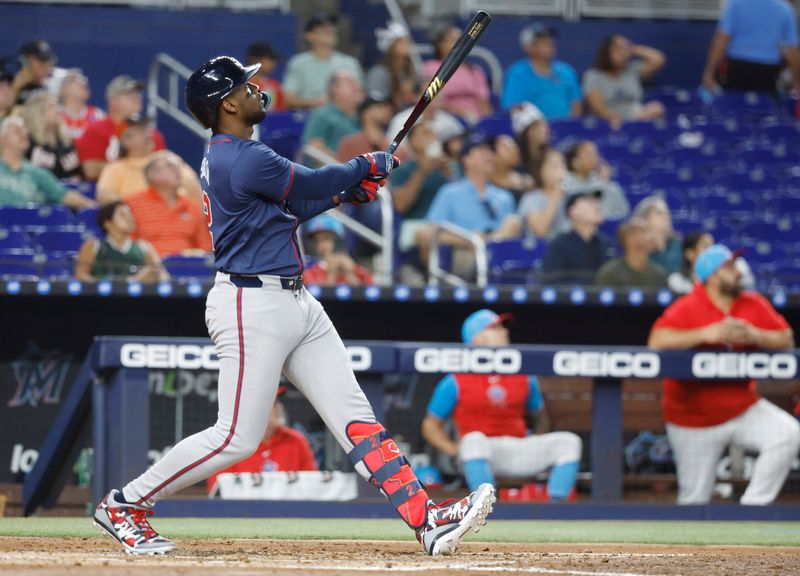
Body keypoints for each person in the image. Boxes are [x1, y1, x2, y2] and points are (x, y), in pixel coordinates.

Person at [92, 55, 494, 556]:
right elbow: (310, 183)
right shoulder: (239, 156)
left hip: (295, 300)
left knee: (355, 415)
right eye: (246, 85)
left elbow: (297, 204)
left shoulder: (242, 156)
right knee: (236, 437)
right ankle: (125, 504)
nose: (258, 89)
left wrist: (347, 194)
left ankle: (425, 519)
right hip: (250, 304)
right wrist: (363, 168)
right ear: (227, 104)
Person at [648, 244, 800, 505]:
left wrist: (755, 335)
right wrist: (705, 333)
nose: (738, 272)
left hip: (741, 407)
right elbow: (657, 340)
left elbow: (785, 338)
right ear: (713, 276)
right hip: (692, 417)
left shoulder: (752, 303)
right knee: (694, 500)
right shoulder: (689, 305)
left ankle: (753, 508)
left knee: (787, 434)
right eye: (729, 267)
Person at [422, 309, 582, 501]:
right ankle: (486, 508)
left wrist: (534, 439)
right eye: (495, 328)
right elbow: (430, 425)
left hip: (518, 447)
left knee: (569, 442)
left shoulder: (522, 374)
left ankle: (557, 510)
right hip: (480, 453)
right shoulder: (455, 379)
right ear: (477, 338)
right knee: (473, 441)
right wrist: (455, 450)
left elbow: (541, 417)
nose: (504, 332)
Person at [416, 132, 521, 268]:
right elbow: (431, 232)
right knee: (424, 233)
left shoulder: (504, 196)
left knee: (514, 222)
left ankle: (488, 248)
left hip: (500, 256)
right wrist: (471, 239)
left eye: (491, 151)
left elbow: (512, 234)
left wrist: (488, 241)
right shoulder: (450, 192)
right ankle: (484, 248)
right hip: (465, 252)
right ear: (467, 159)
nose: (489, 156)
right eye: (482, 151)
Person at [207, 386, 318, 495]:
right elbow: (219, 492)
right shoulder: (232, 443)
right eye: (269, 404)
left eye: (276, 403)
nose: (278, 408)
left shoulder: (296, 440)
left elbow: (312, 486)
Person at [75, 75, 166, 180]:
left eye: (138, 93)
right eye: (129, 93)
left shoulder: (152, 133)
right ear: (113, 100)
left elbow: (162, 167)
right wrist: (135, 169)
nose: (137, 97)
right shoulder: (95, 130)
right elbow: (90, 170)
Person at [702, 0, 800, 95]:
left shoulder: (736, 4)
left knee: (735, 108)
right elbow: (793, 50)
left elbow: (721, 40)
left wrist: (709, 72)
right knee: (764, 109)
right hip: (767, 72)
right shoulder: (784, 9)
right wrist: (797, 81)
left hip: (737, 68)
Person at [124, 152, 211, 258]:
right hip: (150, 268)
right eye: (171, 166)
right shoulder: (132, 204)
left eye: (179, 166)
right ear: (152, 175)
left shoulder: (193, 207)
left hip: (187, 270)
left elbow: (206, 248)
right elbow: (126, 245)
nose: (178, 170)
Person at [96, 118, 201, 205]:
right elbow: (104, 196)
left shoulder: (167, 158)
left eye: (147, 130)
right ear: (125, 141)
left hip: (176, 218)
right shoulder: (115, 168)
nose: (148, 134)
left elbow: (193, 188)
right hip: (136, 224)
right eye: (141, 131)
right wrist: (141, 209)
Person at [0, 116, 94, 208]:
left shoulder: (37, 173)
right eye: (17, 131)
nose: (24, 134)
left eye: (24, 130)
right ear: (2, 140)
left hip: (27, 221)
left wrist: (95, 208)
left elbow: (63, 195)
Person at [389, 120, 452, 252]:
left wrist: (449, 173)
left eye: (434, 134)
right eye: (426, 133)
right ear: (413, 142)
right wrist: (422, 171)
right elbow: (400, 205)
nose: (433, 137)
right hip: (415, 225)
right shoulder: (404, 169)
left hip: (445, 226)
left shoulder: (447, 168)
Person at [282, 14, 364, 110]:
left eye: (332, 27)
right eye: (323, 28)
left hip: (344, 119)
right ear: (309, 35)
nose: (330, 30)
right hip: (308, 118)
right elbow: (288, 99)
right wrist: (315, 103)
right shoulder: (298, 63)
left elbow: (360, 96)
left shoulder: (350, 63)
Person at [583, 36, 666, 129]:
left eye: (624, 49)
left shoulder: (632, 71)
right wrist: (617, 120)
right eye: (618, 49)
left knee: (656, 108)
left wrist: (632, 49)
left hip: (637, 119)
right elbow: (597, 107)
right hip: (608, 123)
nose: (622, 53)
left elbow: (657, 59)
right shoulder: (594, 75)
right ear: (606, 52)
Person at [502, 24, 581, 120]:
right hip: (532, 131)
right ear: (528, 47)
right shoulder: (517, 73)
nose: (550, 43)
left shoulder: (567, 71)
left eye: (550, 40)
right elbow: (515, 108)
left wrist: (569, 127)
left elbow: (576, 104)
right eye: (542, 41)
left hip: (565, 131)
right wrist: (535, 130)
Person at [74, 200, 167, 283]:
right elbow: (80, 276)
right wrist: (129, 282)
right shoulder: (93, 246)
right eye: (123, 215)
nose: (130, 218)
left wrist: (154, 274)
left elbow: (163, 276)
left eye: (130, 214)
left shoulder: (144, 247)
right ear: (107, 223)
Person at [540, 189, 616, 284]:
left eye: (597, 201)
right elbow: (552, 281)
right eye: (589, 202)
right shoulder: (559, 245)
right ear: (573, 211)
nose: (597, 204)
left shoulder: (608, 245)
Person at [423, 24, 492, 122]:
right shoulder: (430, 68)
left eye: (460, 40)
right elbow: (434, 101)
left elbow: (483, 101)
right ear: (440, 44)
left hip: (475, 119)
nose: (457, 43)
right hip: (446, 118)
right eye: (451, 39)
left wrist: (486, 122)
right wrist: (461, 113)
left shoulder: (474, 70)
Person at [301, 70, 363, 161]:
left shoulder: (362, 117)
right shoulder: (322, 115)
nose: (356, 87)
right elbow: (313, 147)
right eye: (350, 83)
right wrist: (343, 166)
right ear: (334, 89)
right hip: (333, 169)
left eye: (356, 83)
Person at [668, 231, 756, 294]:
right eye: (706, 246)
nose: (712, 250)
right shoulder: (677, 279)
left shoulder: (739, 265)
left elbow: (749, 288)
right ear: (690, 254)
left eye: (712, 245)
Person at [563, 140, 629, 223]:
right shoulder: (563, 185)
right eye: (588, 154)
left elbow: (623, 213)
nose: (594, 157)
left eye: (595, 154)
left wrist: (605, 184)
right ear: (575, 162)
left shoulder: (608, 185)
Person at [22, 91, 81, 180]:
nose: (58, 110)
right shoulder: (28, 142)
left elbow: (78, 173)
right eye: (51, 107)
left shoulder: (67, 142)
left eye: (57, 105)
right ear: (37, 113)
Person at [595, 217, 668, 288]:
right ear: (629, 238)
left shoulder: (659, 275)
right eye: (645, 231)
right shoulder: (610, 274)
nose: (652, 236)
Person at [302, 214, 373, 285]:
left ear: (338, 241)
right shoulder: (309, 274)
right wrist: (332, 273)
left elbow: (364, 293)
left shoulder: (359, 271)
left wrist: (349, 274)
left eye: (326, 238)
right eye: (317, 241)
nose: (321, 245)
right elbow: (319, 296)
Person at [366, 21, 419, 109]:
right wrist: (401, 92)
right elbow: (374, 105)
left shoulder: (409, 71)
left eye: (407, 40)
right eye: (401, 41)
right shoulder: (379, 72)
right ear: (391, 46)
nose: (407, 44)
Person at [517, 147, 567, 239]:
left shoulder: (570, 196)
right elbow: (540, 230)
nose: (560, 170)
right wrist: (556, 192)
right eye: (554, 165)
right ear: (541, 170)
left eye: (562, 165)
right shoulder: (531, 198)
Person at [631, 196, 682, 274]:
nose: (667, 217)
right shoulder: (638, 249)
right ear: (645, 219)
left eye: (667, 213)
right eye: (659, 213)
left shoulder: (679, 245)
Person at [336, 96, 395, 161]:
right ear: (365, 113)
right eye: (379, 106)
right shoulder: (350, 144)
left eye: (388, 106)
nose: (387, 110)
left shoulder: (395, 147)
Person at [59, 68, 105, 140]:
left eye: (83, 79)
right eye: (74, 79)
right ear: (62, 90)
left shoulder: (98, 116)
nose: (82, 82)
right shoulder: (55, 115)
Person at [489, 134, 534, 200]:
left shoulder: (526, 182)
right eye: (507, 148)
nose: (515, 151)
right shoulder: (483, 181)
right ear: (493, 155)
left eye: (514, 147)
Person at [12, 39, 57, 105]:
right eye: (41, 61)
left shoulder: (50, 86)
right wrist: (15, 87)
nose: (45, 67)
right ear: (25, 62)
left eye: (48, 62)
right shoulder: (8, 82)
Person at [512, 102, 550, 178]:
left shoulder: (549, 157)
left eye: (545, 126)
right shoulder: (516, 162)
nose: (546, 130)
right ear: (529, 132)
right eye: (541, 126)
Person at [247, 42, 284, 112]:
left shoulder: (275, 85)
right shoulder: (245, 84)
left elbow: (280, 111)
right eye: (269, 59)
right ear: (254, 59)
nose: (273, 63)